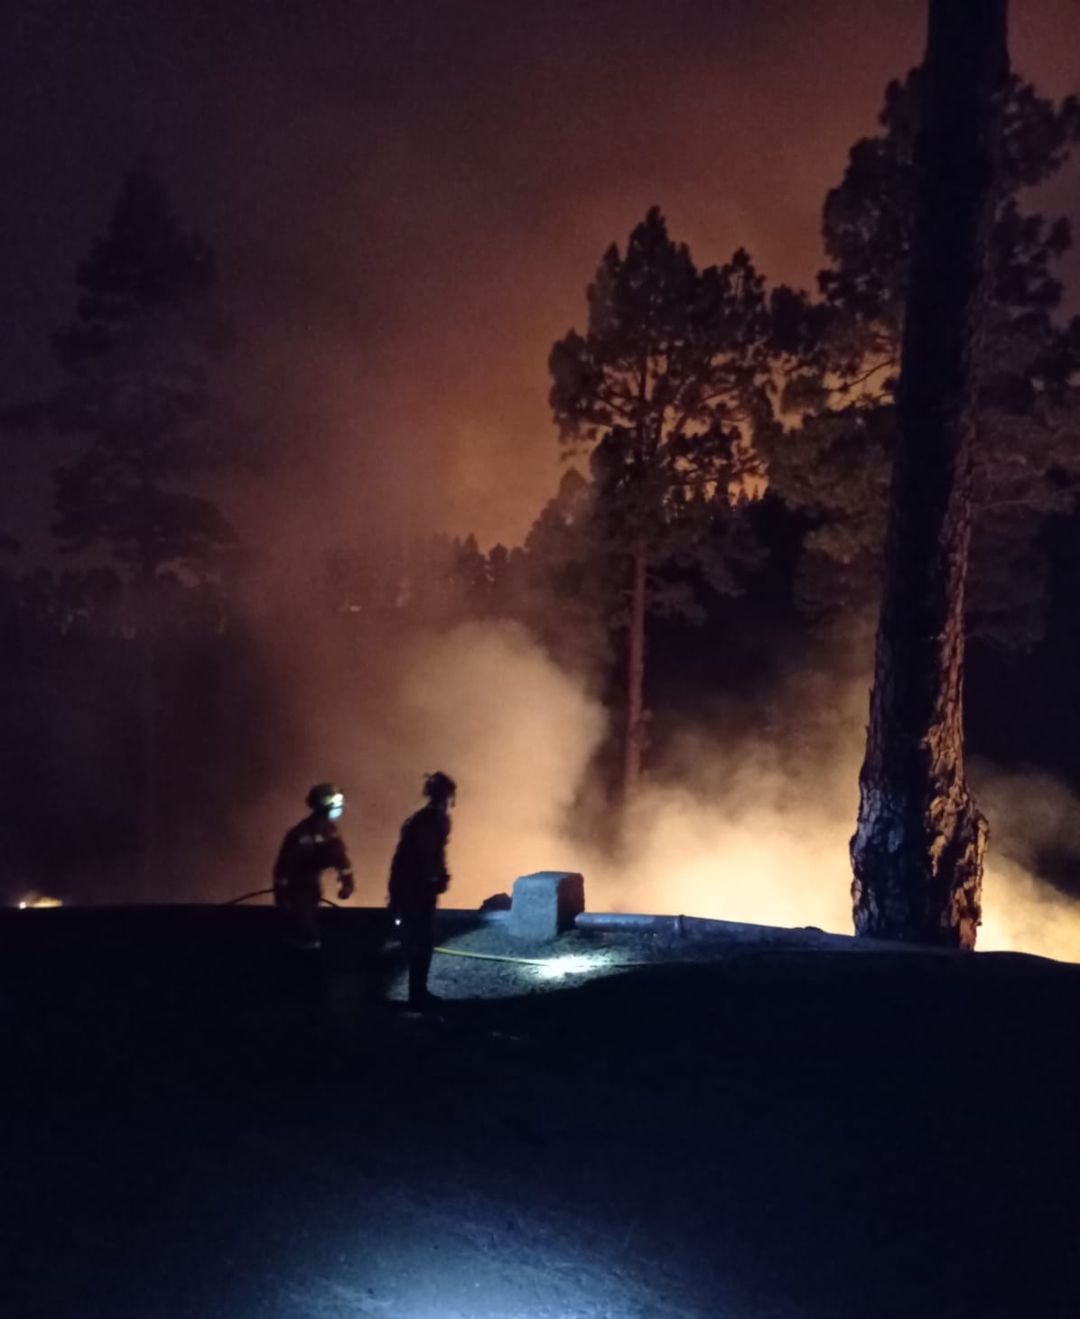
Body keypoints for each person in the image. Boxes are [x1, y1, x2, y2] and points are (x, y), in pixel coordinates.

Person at [387, 771, 455, 1010]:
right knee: (419, 941)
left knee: (421, 940)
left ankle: (418, 992)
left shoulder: (428, 820)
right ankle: (416, 995)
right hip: (414, 890)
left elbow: (435, 855)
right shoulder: (429, 822)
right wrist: (435, 878)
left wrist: (440, 875)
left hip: (415, 889)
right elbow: (423, 857)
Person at [272, 783, 355, 950]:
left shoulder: (329, 831)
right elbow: (283, 868)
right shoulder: (300, 834)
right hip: (298, 888)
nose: (339, 807)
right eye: (335, 802)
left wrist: (347, 883)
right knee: (305, 926)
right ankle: (306, 953)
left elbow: (340, 858)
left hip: (312, 884)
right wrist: (282, 896)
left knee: (310, 920)